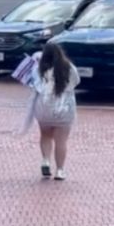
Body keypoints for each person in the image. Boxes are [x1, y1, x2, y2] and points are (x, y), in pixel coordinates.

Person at [33, 42, 81, 181]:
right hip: (64, 107)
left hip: (44, 107)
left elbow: (34, 84)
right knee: (61, 141)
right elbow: (76, 81)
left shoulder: (39, 68)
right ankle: (59, 170)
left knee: (45, 135)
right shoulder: (69, 67)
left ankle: (46, 160)